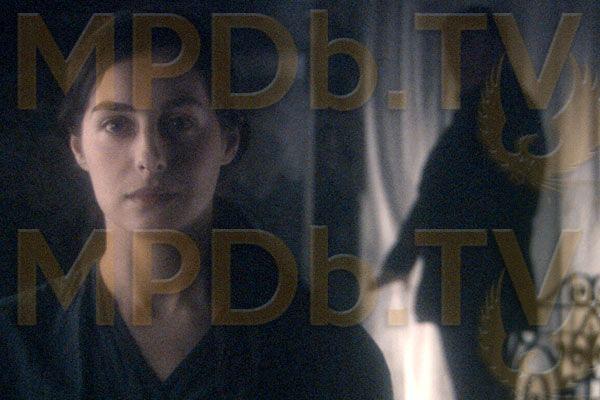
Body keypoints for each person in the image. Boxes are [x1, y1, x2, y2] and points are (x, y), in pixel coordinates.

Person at [0, 13, 392, 399]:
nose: (150, 157)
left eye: (180, 123)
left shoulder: (330, 355)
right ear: (79, 148)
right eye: (116, 125)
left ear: (228, 141)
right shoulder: (15, 348)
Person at [377, 10, 545, 400]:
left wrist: (404, 257)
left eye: (468, 47)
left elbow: (448, 200)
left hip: (479, 289)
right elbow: (439, 200)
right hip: (477, 288)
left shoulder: (497, 118)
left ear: (493, 51)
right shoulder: (487, 116)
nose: (458, 60)